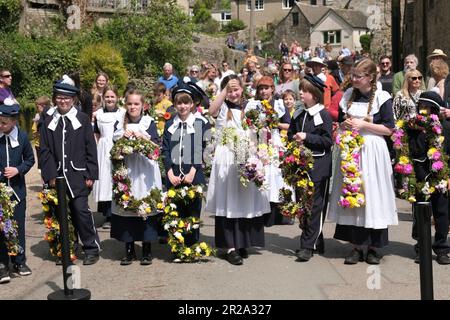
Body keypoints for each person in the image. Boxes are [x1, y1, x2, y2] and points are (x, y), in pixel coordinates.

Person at [328, 59, 398, 265]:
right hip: (351, 151)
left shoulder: (382, 97)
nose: (354, 79)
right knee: (353, 192)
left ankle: (374, 247)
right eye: (353, 75)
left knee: (373, 194)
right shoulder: (348, 96)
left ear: (370, 77)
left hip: (372, 151)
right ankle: (357, 246)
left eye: (358, 76)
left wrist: (363, 125)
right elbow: (340, 122)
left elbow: (389, 129)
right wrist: (345, 124)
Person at [205, 75, 270, 265]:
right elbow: (211, 110)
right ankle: (230, 246)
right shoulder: (223, 107)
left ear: (243, 89)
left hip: (246, 154)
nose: (233, 94)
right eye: (230, 90)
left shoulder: (250, 106)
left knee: (244, 198)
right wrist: (224, 90)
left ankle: (243, 242)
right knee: (228, 199)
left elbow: (260, 129)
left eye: (236, 89)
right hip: (226, 155)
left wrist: (260, 152)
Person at [40, 75, 100, 265]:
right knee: (62, 214)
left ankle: (91, 247)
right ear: (54, 98)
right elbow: (45, 151)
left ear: (74, 99)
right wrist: (49, 175)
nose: (63, 101)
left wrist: (91, 173)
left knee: (81, 211)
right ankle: (67, 249)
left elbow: (91, 148)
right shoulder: (48, 119)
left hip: (78, 175)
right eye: (59, 97)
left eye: (67, 98)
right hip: (57, 176)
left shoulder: (82, 119)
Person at [110, 89, 162, 266]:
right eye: (130, 104)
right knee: (127, 203)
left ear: (143, 106)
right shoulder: (119, 123)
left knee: (145, 205)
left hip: (145, 171)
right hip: (127, 171)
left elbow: (156, 149)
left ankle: (147, 248)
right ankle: (129, 249)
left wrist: (143, 138)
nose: (133, 107)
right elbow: (113, 150)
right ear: (126, 105)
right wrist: (121, 140)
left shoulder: (149, 122)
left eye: (136, 104)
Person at [162, 82, 210, 261]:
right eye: (178, 103)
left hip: (193, 175)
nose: (182, 106)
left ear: (192, 104)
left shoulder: (200, 123)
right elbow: (165, 150)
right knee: (175, 212)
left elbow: (200, 149)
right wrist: (169, 173)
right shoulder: (169, 125)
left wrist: (191, 172)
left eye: (186, 102)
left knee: (192, 213)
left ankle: (191, 248)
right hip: (173, 175)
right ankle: (177, 248)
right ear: (174, 104)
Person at [288, 75, 333, 261]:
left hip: (319, 167)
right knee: (303, 206)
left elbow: (327, 141)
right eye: (300, 89)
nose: (300, 93)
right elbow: (291, 133)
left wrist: (307, 137)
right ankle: (315, 238)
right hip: (301, 166)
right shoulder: (299, 113)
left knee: (314, 206)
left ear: (314, 95)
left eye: (304, 91)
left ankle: (307, 245)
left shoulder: (323, 115)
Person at [404, 91, 450, 264]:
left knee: (442, 212)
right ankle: (421, 246)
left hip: (441, 175)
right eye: (421, 106)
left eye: (428, 107)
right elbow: (407, 150)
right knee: (420, 211)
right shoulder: (413, 127)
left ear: (435, 109)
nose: (423, 110)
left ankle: (442, 248)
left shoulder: (446, 127)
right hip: (420, 174)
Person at [249, 76, 291, 227]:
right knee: (260, 174)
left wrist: (275, 123)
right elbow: (247, 122)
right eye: (260, 88)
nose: (263, 91)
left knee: (274, 177)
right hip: (258, 141)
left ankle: (274, 215)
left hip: (274, 141)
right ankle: (258, 212)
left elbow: (288, 124)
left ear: (272, 89)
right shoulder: (253, 104)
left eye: (266, 88)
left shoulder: (279, 104)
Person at [0, 101, 35, 284]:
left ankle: (19, 262)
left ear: (13, 122)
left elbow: (30, 159)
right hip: (0, 193)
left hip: (17, 192)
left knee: (18, 226)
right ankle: (2, 265)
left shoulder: (21, 137)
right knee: (1, 228)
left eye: (4, 122)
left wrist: (18, 170)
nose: (0, 125)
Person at [92, 86, 125, 230]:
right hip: (103, 148)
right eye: (107, 97)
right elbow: (96, 133)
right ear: (103, 98)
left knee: (118, 178)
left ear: (117, 97)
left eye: (112, 96)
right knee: (105, 180)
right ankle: (107, 215)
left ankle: (120, 213)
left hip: (118, 147)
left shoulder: (123, 113)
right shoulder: (98, 114)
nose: (110, 99)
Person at [31, 96, 51, 170]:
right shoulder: (38, 116)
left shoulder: (48, 117)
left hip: (43, 144)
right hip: (38, 144)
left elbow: (37, 132)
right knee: (41, 165)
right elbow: (34, 132)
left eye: (37, 106)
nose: (36, 108)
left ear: (44, 106)